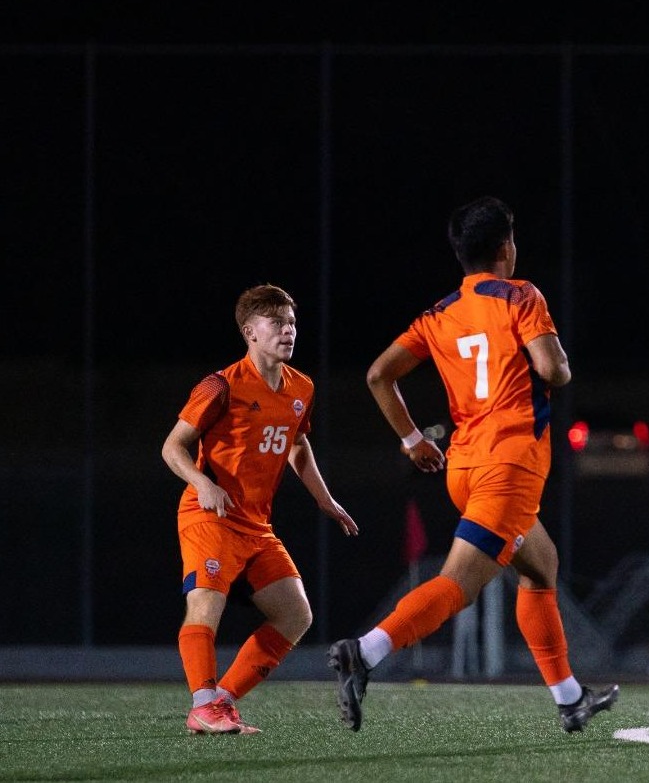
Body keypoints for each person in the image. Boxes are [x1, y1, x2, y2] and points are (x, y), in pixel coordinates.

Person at [330, 195, 617, 734]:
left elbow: (377, 376)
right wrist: (553, 360)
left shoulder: (438, 314)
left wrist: (413, 439)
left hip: (463, 468)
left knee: (541, 565)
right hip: (508, 467)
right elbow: (554, 371)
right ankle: (364, 652)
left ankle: (570, 697)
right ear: (506, 247)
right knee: (457, 585)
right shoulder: (521, 295)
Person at [162, 283, 360, 735]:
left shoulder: (301, 388)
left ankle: (221, 702)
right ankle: (201, 704)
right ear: (250, 331)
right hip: (207, 515)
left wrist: (324, 499)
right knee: (205, 606)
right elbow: (172, 447)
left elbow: (298, 444)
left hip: (255, 523)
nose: (288, 331)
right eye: (277, 323)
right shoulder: (220, 385)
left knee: (296, 614)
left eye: (292, 323)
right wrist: (202, 482)